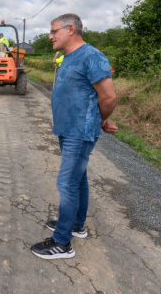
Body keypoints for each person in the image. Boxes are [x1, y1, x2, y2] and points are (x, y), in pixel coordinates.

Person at [31, 14, 117, 259]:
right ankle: (76, 225)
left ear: (70, 29)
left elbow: (108, 97)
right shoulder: (67, 57)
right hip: (68, 129)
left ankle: (62, 242)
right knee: (78, 180)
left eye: (54, 31)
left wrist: (99, 120)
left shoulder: (92, 56)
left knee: (67, 183)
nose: (50, 36)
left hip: (79, 132)